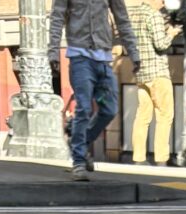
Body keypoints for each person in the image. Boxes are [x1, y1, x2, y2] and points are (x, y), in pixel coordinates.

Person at [51, 0, 140, 179]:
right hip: (79, 58)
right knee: (83, 107)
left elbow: (122, 19)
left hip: (104, 59)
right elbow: (57, 18)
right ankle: (78, 163)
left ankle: (80, 145)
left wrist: (134, 53)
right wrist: (53, 52)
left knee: (109, 109)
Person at [131, 0, 178, 165]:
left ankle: (138, 158)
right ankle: (161, 159)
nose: (164, 4)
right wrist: (171, 34)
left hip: (142, 74)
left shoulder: (135, 15)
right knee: (165, 116)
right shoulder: (154, 15)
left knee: (142, 117)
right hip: (158, 73)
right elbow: (160, 44)